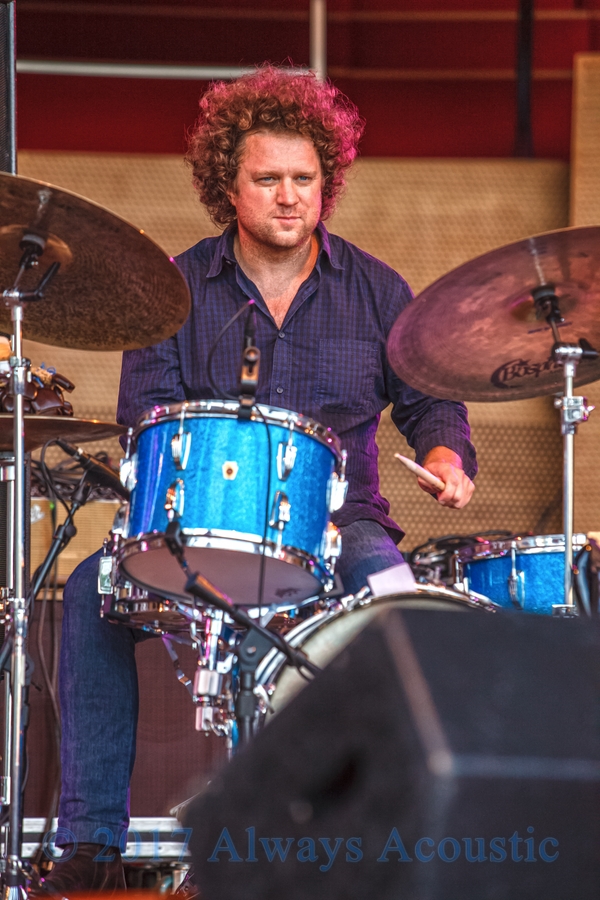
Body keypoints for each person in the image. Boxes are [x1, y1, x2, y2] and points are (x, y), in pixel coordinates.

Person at [32, 67, 475, 896]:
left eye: (304, 178)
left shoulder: (378, 290)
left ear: (327, 183)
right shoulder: (171, 290)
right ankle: (90, 843)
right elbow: (145, 416)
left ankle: (387, 838)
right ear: (226, 188)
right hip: (195, 521)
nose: (289, 196)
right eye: (267, 179)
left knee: (398, 607)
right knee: (92, 592)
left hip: (342, 524)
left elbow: (433, 401)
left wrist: (447, 459)